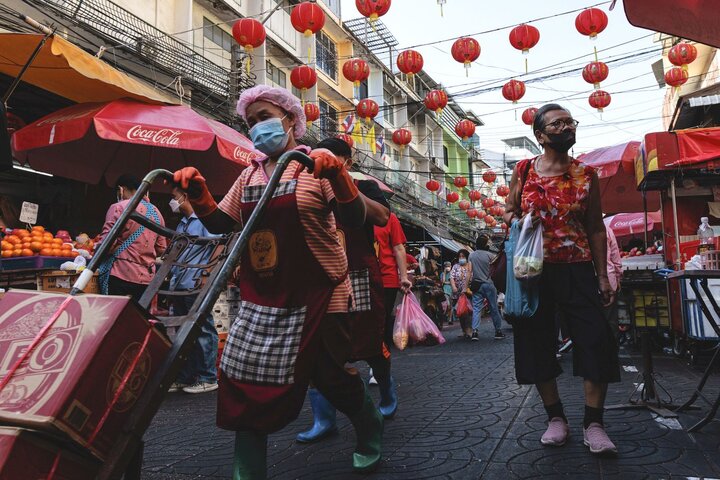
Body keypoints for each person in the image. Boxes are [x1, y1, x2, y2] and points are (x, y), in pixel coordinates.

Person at [172, 85, 383, 477]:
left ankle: (370, 427)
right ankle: (246, 471)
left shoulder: (313, 165)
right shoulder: (248, 176)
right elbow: (223, 223)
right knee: (243, 378)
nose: (258, 127)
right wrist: (200, 195)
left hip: (321, 293)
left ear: (290, 120)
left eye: (265, 116)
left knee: (332, 378)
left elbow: (353, 219)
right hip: (263, 297)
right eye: (251, 121)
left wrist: (339, 176)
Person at [503, 103, 621, 455]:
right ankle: (555, 418)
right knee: (535, 342)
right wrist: (518, 220)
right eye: (558, 124)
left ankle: (594, 424)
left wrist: (603, 276)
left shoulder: (587, 175)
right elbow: (509, 210)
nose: (567, 127)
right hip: (532, 271)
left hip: (579, 267)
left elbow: (596, 227)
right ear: (541, 136)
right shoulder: (523, 170)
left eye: (570, 122)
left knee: (596, 340)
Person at [296, 136, 397, 446]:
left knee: (369, 339)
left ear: (348, 163)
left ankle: (386, 386)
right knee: (317, 344)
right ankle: (323, 419)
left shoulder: (365, 186)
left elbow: (382, 215)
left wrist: (342, 184)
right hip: (321, 275)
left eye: (337, 160)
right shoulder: (303, 184)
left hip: (361, 271)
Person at [167, 186, 220, 394]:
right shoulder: (182, 223)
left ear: (184, 197)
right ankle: (185, 376)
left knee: (203, 329)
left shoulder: (205, 220)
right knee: (182, 332)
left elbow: (219, 246)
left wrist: (206, 273)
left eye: (174, 197)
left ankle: (208, 377)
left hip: (196, 283)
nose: (172, 201)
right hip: (179, 283)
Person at [97, 174, 166, 301]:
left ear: (121, 189)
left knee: (117, 318)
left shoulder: (119, 207)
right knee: (137, 319)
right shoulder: (157, 213)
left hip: (120, 275)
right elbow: (161, 249)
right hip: (146, 280)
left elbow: (107, 244)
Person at [374, 212, 412, 349]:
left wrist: (403, 277)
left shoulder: (389, 217)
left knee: (381, 320)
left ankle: (382, 358)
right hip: (362, 276)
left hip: (387, 278)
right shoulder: (354, 214)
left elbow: (399, 247)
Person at [469, 235, 505, 341]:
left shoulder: (471, 255)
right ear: (486, 244)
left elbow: (470, 271)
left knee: (476, 309)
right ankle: (498, 331)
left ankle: (475, 332)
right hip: (489, 284)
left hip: (477, 285)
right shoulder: (491, 256)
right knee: (494, 308)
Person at [605, 226, 623, 339]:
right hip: (609, 278)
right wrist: (618, 277)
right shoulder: (607, 229)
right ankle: (611, 354)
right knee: (610, 320)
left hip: (586, 281)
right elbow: (615, 257)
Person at [450, 249, 472, 339]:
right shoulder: (455, 266)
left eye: (463, 256)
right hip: (458, 293)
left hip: (468, 292)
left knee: (469, 312)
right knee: (461, 312)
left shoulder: (470, 266)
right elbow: (452, 277)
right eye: (460, 257)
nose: (461, 258)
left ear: (467, 257)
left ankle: (469, 330)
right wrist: (454, 287)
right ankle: (464, 330)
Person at [440, 261, 455, 325]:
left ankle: (450, 319)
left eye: (448, 266)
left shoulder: (453, 273)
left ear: (451, 266)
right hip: (445, 290)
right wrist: (444, 273)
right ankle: (446, 317)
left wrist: (448, 283)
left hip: (452, 290)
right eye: (446, 266)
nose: (447, 267)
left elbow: (454, 282)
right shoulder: (442, 274)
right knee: (448, 305)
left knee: (451, 305)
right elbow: (443, 282)